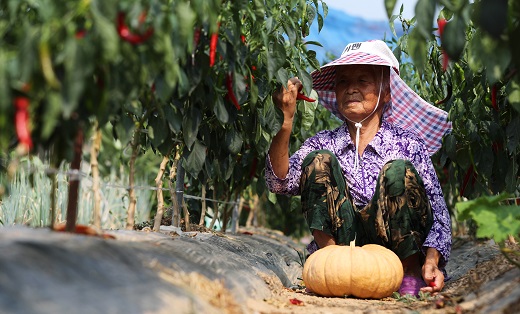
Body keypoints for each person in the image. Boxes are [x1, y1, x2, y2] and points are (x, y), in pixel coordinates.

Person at [265, 40, 452, 297]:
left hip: (394, 261)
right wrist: (285, 122)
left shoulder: (408, 144)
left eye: (363, 81)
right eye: (343, 81)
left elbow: (439, 213)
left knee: (397, 172)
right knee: (319, 161)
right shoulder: (324, 143)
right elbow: (279, 183)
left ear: (385, 93)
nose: (351, 88)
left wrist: (431, 261)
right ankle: (329, 260)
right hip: (342, 256)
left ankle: (409, 273)